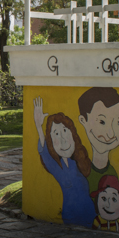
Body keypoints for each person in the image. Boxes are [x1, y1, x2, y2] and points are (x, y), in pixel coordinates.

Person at [33, 97, 96, 227]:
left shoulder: (78, 162)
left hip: (90, 213)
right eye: (56, 134)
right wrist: (39, 126)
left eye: (65, 131)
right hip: (71, 215)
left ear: (73, 135)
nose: (62, 138)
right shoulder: (58, 168)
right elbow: (45, 154)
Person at [76, 88, 119, 192]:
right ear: (83, 121)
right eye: (102, 121)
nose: (110, 134)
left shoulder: (113, 175)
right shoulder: (78, 171)